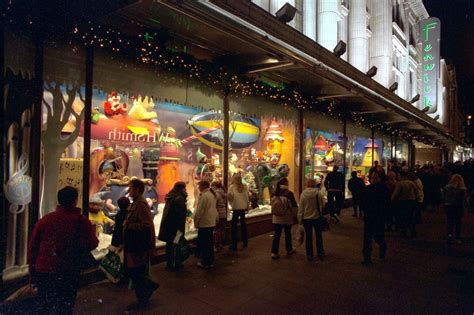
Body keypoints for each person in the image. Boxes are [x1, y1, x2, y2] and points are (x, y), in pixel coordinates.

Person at [29, 186, 98, 315]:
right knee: (65, 306)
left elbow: (33, 247)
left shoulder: (46, 219)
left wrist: (32, 273)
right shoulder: (81, 221)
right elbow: (93, 243)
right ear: (75, 200)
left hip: (45, 271)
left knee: (46, 306)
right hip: (68, 270)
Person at [123, 179, 159, 311]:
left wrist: (128, 225)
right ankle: (145, 292)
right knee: (137, 272)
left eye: (131, 188)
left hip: (139, 246)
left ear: (137, 189)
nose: (129, 191)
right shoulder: (137, 203)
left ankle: (143, 298)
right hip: (136, 245)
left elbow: (146, 225)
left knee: (137, 272)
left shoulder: (141, 204)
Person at [360, 170, 389, 266]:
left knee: (377, 235)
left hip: (377, 216)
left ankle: (381, 246)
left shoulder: (383, 189)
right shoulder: (369, 189)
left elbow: (386, 203)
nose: (373, 179)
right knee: (368, 238)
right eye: (372, 178)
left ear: (379, 178)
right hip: (371, 216)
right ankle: (367, 258)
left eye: (375, 178)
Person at [158, 181, 188, 270]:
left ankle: (169, 264)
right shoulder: (179, 199)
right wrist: (180, 229)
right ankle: (177, 263)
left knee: (169, 245)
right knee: (177, 245)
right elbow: (180, 215)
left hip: (169, 226)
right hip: (176, 227)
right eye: (185, 188)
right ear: (182, 188)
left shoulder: (171, 196)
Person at [298, 179, 325, 261]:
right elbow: (323, 205)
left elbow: (301, 208)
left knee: (308, 237)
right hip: (317, 218)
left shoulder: (303, 194)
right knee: (318, 235)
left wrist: (300, 220)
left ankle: (309, 254)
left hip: (306, 218)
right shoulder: (318, 193)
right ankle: (320, 252)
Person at [194, 180, 219, 268]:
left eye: (199, 186)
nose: (198, 187)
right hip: (210, 222)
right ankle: (209, 261)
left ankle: (205, 262)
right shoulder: (211, 195)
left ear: (203, 186)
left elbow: (200, 211)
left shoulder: (204, 196)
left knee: (205, 243)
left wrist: (196, 222)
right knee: (209, 243)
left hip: (205, 223)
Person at [271, 178, 298, 259]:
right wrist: (295, 215)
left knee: (277, 235)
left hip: (276, 218)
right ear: (285, 183)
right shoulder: (289, 194)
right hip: (286, 218)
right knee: (287, 234)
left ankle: (274, 252)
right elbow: (294, 207)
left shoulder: (274, 193)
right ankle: (289, 249)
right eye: (288, 182)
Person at [391, 171, 419, 238]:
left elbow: (396, 194)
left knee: (402, 217)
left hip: (402, 202)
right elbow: (417, 192)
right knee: (410, 217)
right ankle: (412, 231)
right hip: (411, 201)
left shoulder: (400, 184)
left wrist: (392, 199)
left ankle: (404, 231)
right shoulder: (412, 183)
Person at [228, 173, 250, 251]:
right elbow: (247, 197)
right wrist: (247, 206)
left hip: (236, 208)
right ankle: (245, 242)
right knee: (243, 226)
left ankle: (234, 244)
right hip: (243, 208)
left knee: (234, 227)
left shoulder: (232, 187)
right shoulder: (245, 186)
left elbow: (230, 198)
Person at [443, 174, 467, 244]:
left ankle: (449, 235)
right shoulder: (462, 189)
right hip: (458, 207)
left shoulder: (447, 187)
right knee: (458, 222)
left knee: (450, 221)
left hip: (449, 206)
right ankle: (457, 237)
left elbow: (444, 197)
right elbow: (463, 200)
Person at [211, 181, 227, 252]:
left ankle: (216, 245)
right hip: (223, 213)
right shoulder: (223, 192)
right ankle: (220, 244)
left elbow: (214, 204)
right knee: (221, 229)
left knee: (217, 230)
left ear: (214, 186)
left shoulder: (216, 194)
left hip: (218, 214)